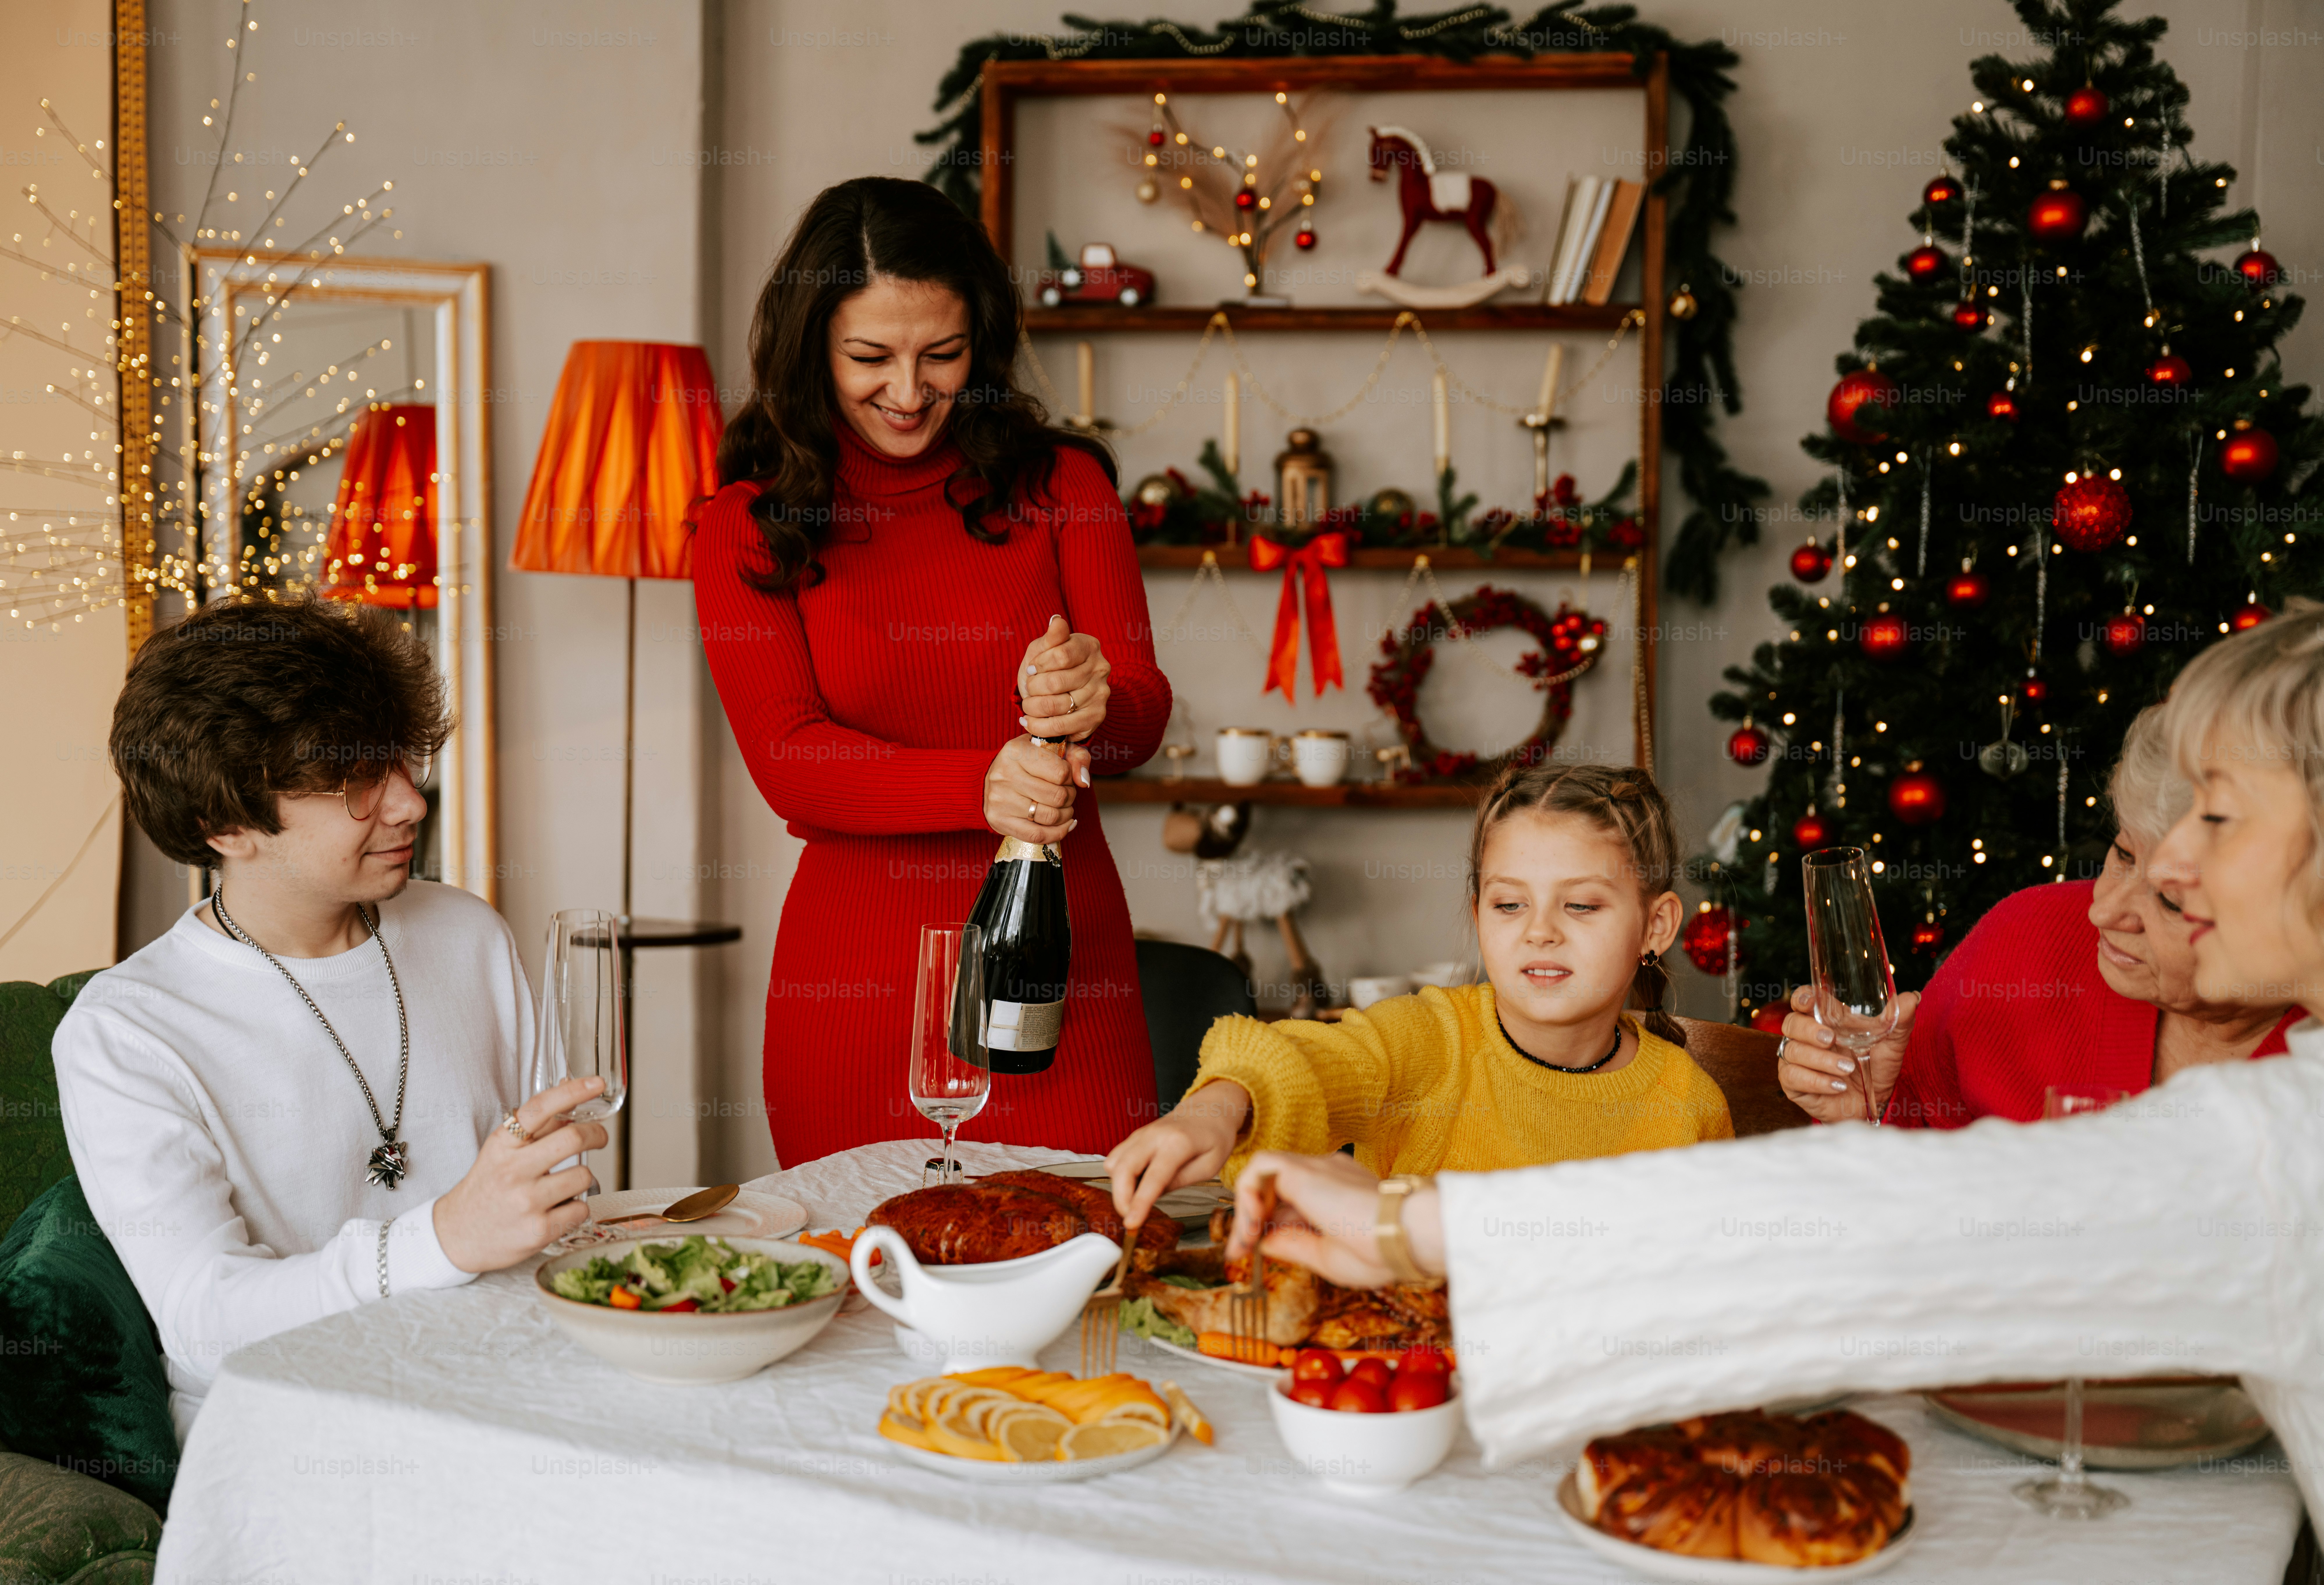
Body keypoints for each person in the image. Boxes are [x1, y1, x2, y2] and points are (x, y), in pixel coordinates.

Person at [1219, 601, 2324, 1521]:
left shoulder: (2287, 1142)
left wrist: (1409, 1227)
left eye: (2219, 819)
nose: (2169, 867)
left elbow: (1889, 1225)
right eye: (2141, 839)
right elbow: (1901, 1205)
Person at [695, 177, 1172, 1164]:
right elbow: (790, 759)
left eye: (941, 355)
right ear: (811, 346)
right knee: (861, 1278)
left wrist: (1092, 700)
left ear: (981, 346)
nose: (909, 393)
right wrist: (981, 781)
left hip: (1059, 968)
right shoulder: (746, 525)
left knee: (1088, 1260)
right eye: (870, 357)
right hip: (857, 981)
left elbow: (1138, 718)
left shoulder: (1063, 487)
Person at [55, 596, 606, 1437]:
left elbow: (544, 1205)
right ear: (225, 823)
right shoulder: (128, 1033)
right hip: (297, 1424)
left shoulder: (466, 933)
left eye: (397, 759)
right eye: (355, 784)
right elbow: (207, 1320)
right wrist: (446, 1238)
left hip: (510, 1380)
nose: (408, 803)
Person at [1106, 763, 1732, 1227]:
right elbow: (1302, 1058)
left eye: (1580, 905)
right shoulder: (1429, 1039)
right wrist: (1211, 1109)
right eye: (1509, 904)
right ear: (1478, 912)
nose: (1539, 930)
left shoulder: (1687, 1105)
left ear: (1655, 926)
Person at [1777, 703, 2297, 1124]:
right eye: (2122, 854)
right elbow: (1905, 1181)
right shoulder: (2024, 937)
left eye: (2169, 901)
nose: (2104, 910)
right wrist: (1871, 1110)